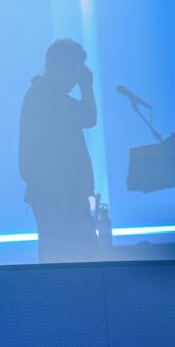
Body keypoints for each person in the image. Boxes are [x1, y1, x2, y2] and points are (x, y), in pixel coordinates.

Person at [19, 39, 100, 263]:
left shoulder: (42, 95)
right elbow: (89, 117)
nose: (76, 78)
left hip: (57, 196)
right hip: (59, 197)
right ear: (62, 66)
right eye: (75, 70)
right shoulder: (45, 96)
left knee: (68, 260)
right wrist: (87, 87)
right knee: (79, 259)